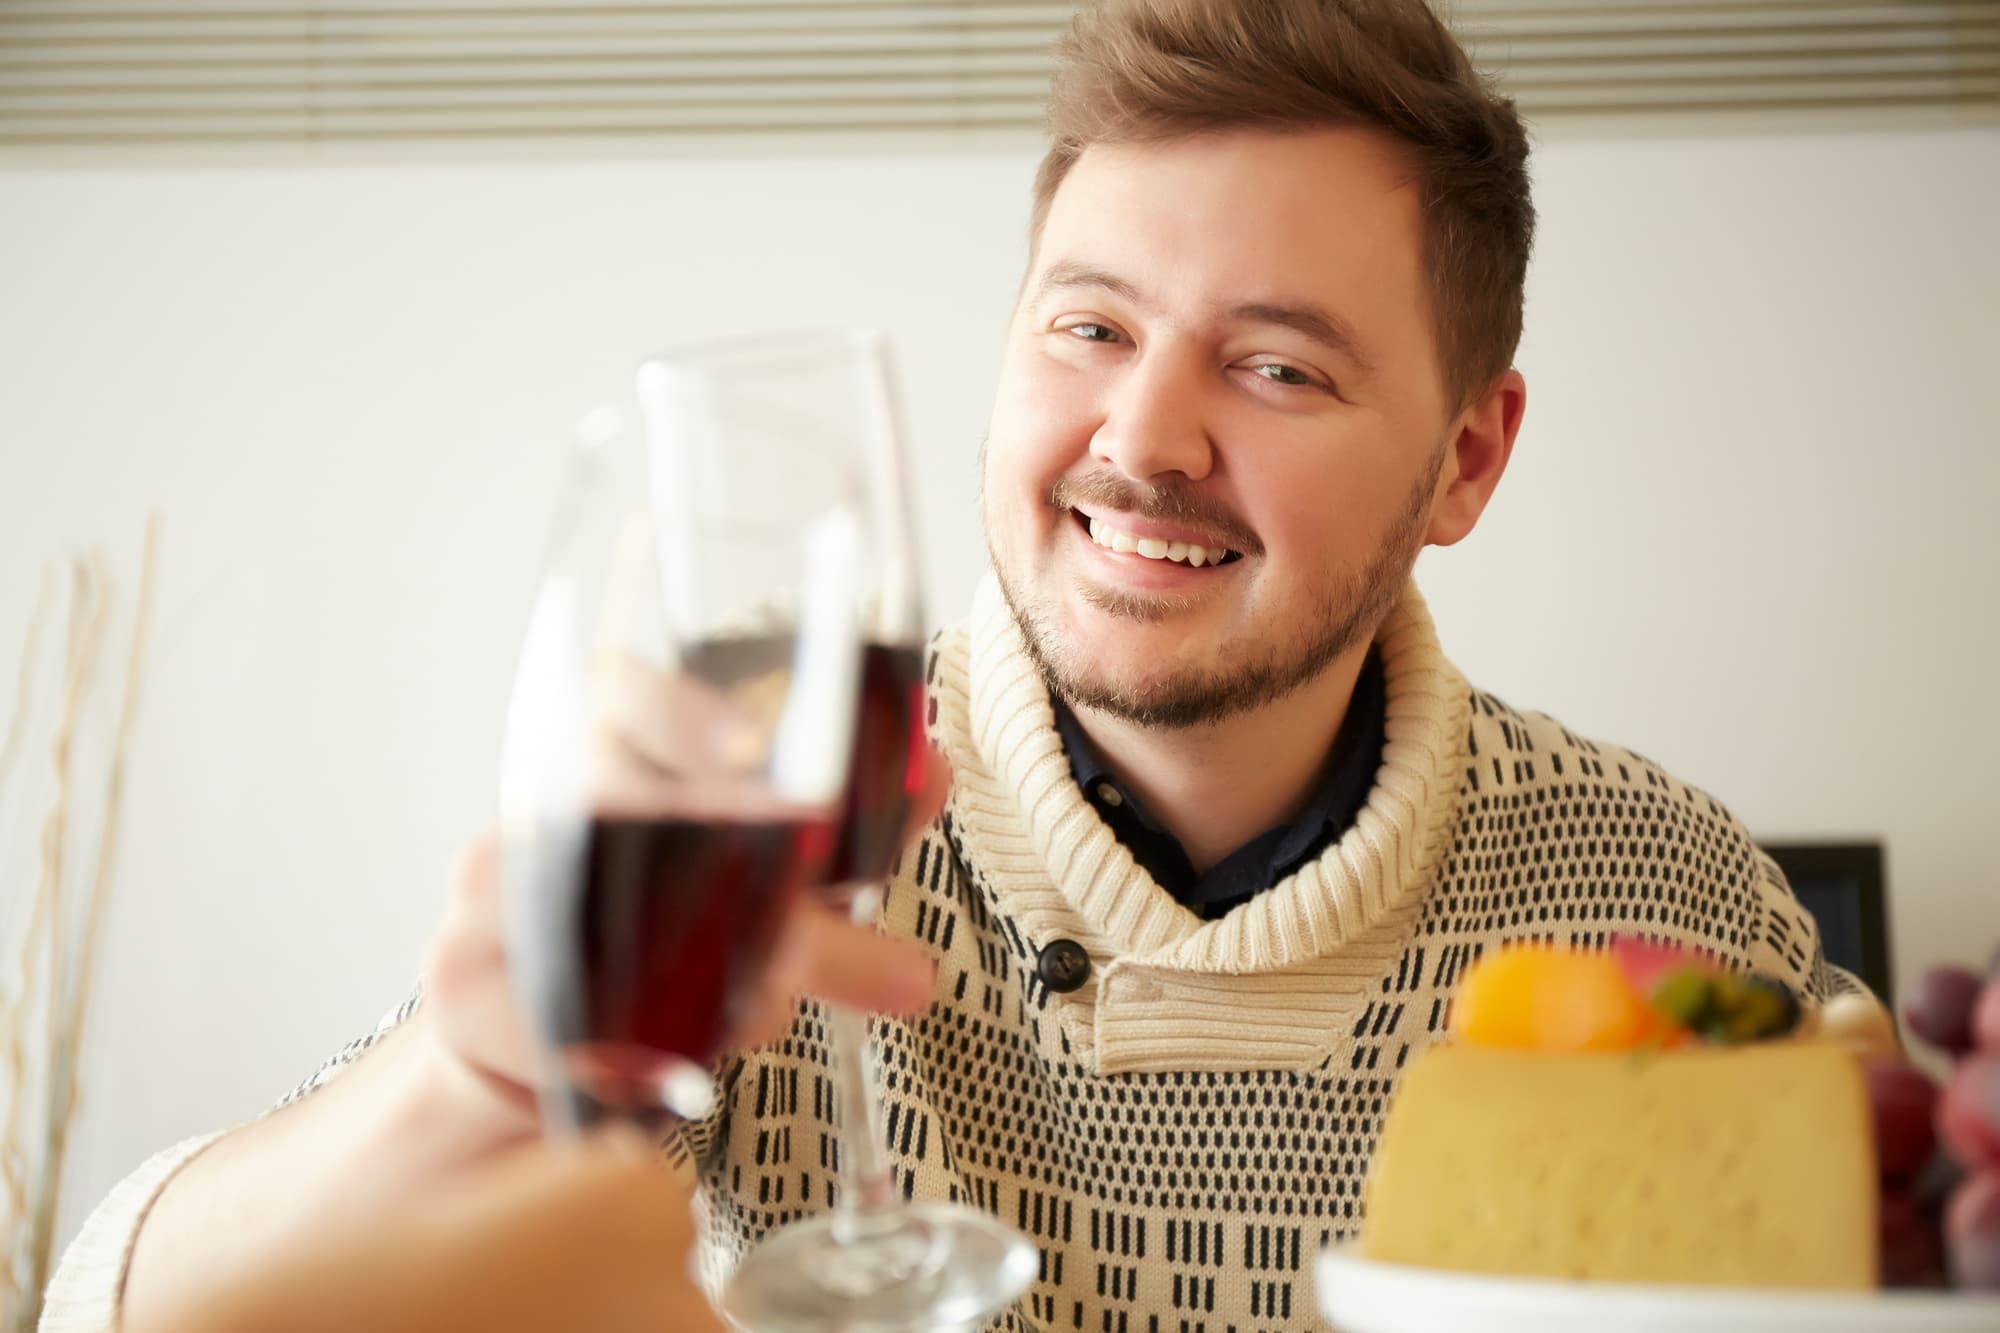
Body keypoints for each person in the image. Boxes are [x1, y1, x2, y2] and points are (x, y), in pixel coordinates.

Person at [47, 1, 1999, 1328]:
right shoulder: (754, 840)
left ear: (1464, 458)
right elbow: (125, 1309)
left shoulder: (1663, 903)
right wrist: (461, 1081)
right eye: (1087, 327)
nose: (1138, 439)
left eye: (1276, 363)